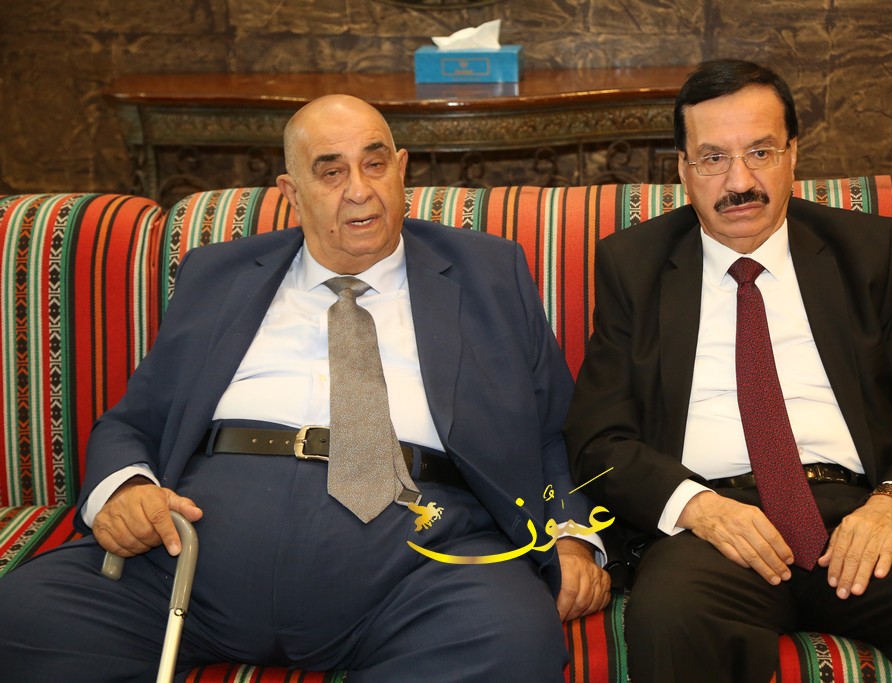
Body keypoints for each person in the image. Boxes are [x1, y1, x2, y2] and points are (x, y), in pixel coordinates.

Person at [0, 94, 609, 682]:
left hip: (417, 571)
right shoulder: (218, 274)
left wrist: (571, 534)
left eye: (375, 164)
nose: (359, 189)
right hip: (186, 561)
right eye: (331, 172)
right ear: (291, 192)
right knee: (22, 618)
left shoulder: (489, 272)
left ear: (402, 170)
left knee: (511, 640)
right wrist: (128, 488)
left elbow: (552, 429)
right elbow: (133, 420)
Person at [564, 59, 892, 683]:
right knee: (670, 619)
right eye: (713, 158)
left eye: (760, 152)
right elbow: (599, 440)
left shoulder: (867, 252)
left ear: (792, 154)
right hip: (716, 527)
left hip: (856, 513)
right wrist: (699, 507)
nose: (740, 181)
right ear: (682, 169)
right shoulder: (633, 266)